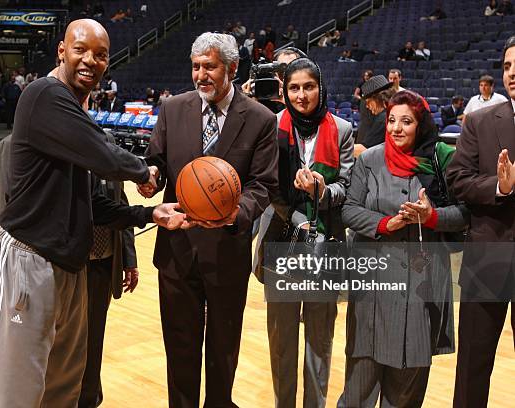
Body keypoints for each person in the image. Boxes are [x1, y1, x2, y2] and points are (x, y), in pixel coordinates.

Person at [0, 19, 189, 408]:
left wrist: (149, 214)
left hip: (69, 266)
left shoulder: (73, 120)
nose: (90, 60)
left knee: (65, 389)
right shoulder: (45, 95)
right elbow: (104, 153)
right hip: (27, 260)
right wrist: (144, 171)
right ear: (61, 51)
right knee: (20, 394)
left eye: (101, 54)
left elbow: (91, 203)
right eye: (80, 49)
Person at [139, 32, 279, 407]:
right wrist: (151, 177)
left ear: (232, 68)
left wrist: (238, 213)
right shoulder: (172, 109)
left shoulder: (261, 119)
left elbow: (263, 184)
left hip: (227, 249)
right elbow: (158, 159)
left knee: (223, 349)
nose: (201, 75)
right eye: (196, 66)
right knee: (180, 349)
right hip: (177, 248)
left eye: (210, 66)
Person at [339, 90, 468, 407]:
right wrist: (385, 224)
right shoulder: (369, 160)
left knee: (406, 392)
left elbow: (465, 214)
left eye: (406, 121)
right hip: (373, 284)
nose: (396, 128)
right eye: (392, 120)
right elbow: (349, 210)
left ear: (420, 125)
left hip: (421, 286)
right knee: (358, 388)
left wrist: (431, 216)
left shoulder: (438, 162)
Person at [253, 57, 354, 408]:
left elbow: (347, 187)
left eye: (308, 86)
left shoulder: (341, 129)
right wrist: (297, 216)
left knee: (319, 340)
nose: (301, 94)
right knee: (281, 341)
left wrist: (323, 192)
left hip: (326, 246)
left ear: (320, 88)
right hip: (283, 240)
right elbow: (266, 185)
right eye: (293, 88)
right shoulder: (272, 126)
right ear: (285, 90)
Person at [446, 35, 515, 408]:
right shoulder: (479, 121)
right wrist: (500, 188)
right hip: (488, 256)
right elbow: (458, 179)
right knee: (473, 365)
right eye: (506, 66)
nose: (512, 73)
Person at [354, 75, 396, 157]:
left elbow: (364, 151)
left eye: (368, 102)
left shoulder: (383, 119)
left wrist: (338, 146)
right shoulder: (392, 113)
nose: (367, 106)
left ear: (377, 99)